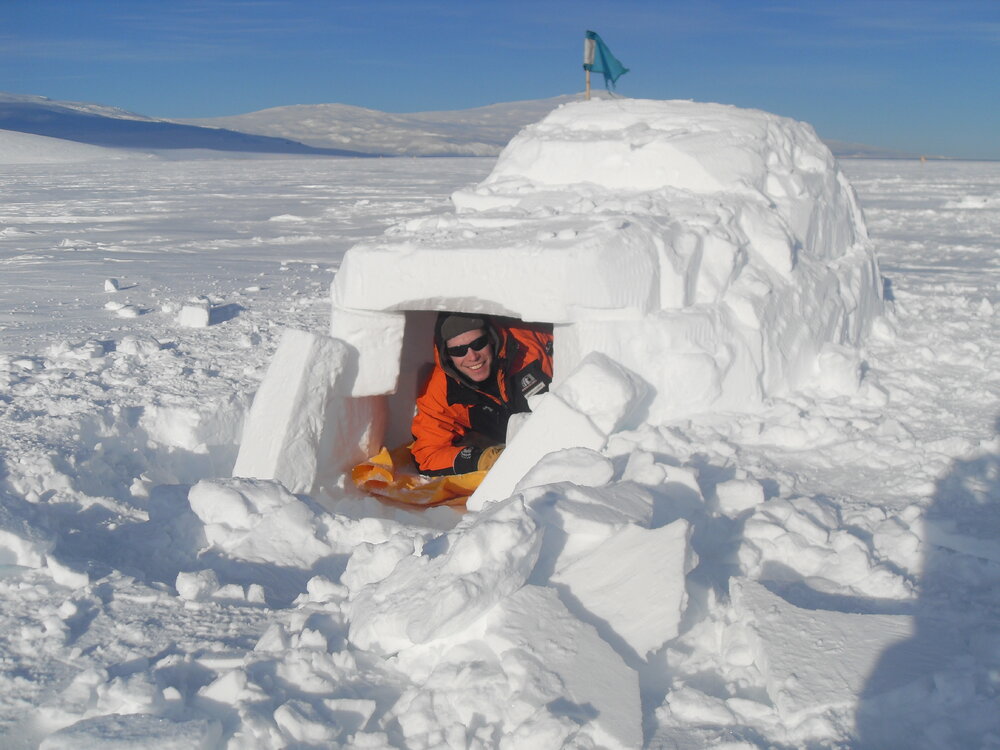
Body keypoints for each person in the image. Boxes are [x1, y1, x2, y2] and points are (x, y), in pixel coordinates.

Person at [410, 312, 554, 476]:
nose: (472, 356)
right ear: (447, 356)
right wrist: (483, 459)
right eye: (459, 350)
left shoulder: (531, 347)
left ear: (491, 338)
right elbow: (428, 454)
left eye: (479, 343)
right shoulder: (440, 391)